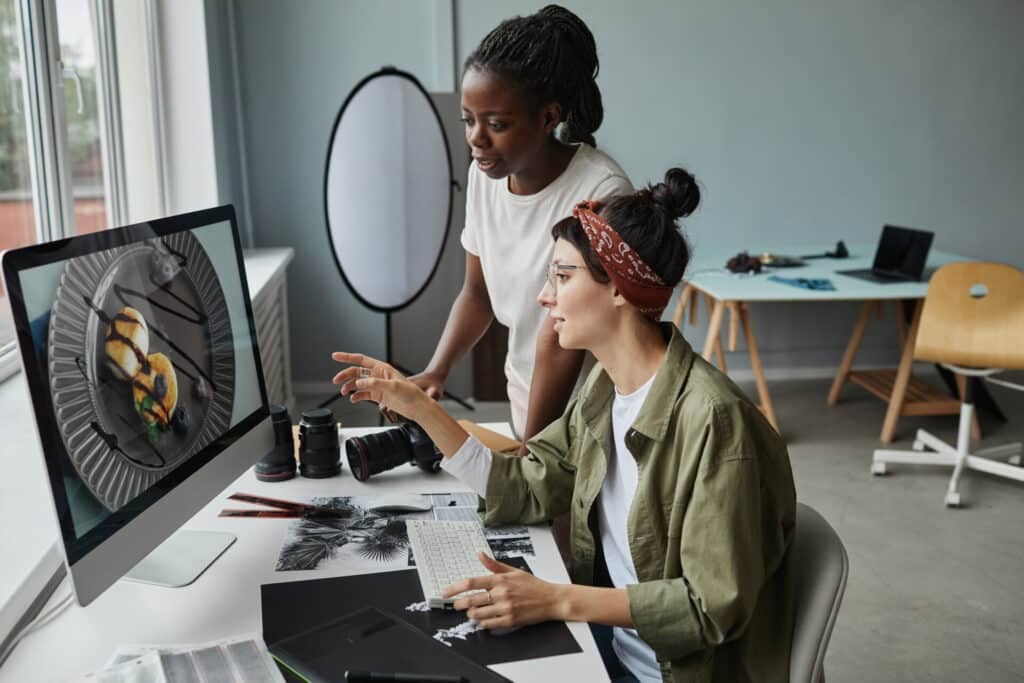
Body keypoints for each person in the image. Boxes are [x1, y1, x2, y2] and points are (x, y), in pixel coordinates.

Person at [331, 168, 797, 683]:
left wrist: (556, 599)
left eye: (562, 275)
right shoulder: (605, 389)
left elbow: (710, 608)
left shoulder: (715, 423)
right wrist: (420, 407)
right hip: (614, 644)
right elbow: (527, 485)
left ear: (619, 288)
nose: (544, 297)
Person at [407, 4, 633, 443]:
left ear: (549, 117)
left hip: (590, 419)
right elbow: (478, 294)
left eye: (497, 123)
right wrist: (437, 371)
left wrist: (533, 456)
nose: (476, 138)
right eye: (469, 120)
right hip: (527, 402)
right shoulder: (484, 177)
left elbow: (561, 339)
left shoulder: (600, 192)